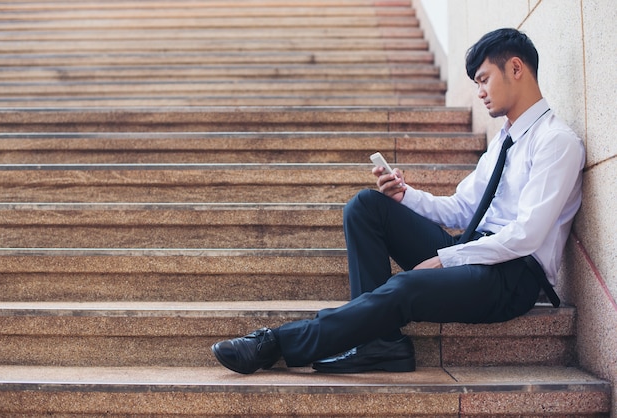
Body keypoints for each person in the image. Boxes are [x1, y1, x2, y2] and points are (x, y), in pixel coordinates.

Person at [211, 28, 586, 375]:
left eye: (484, 79)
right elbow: (460, 208)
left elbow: (528, 235)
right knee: (366, 206)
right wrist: (406, 196)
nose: (480, 91)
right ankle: (380, 341)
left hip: (513, 277)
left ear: (516, 68)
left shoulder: (556, 142)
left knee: (404, 287)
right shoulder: (503, 143)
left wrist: (446, 258)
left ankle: (277, 342)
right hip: (472, 251)